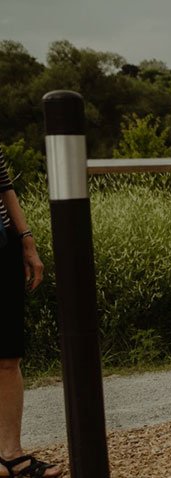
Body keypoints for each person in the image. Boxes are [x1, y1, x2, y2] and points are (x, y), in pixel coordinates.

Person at [0, 146, 59, 477]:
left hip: (2, 242)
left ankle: (10, 455)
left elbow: (3, 182)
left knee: (7, 356)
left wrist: (27, 240)